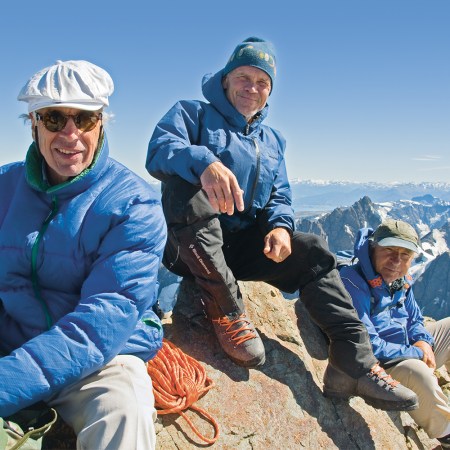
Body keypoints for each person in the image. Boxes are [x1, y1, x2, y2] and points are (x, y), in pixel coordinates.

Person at [146, 36, 419, 411]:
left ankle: (352, 364)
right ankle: (226, 311)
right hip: (189, 244)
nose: (252, 88)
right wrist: (204, 163)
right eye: (244, 77)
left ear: (269, 91)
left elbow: (280, 195)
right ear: (225, 79)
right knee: (185, 192)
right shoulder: (191, 114)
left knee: (313, 251)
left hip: (239, 250)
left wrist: (279, 228)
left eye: (262, 83)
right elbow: (160, 150)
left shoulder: (273, 140)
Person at [0, 60, 167, 449]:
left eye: (86, 120)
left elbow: (102, 321)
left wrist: (7, 383)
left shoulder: (132, 204)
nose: (71, 135)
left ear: (102, 124)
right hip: (14, 339)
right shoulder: (5, 187)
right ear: (34, 124)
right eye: (55, 119)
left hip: (100, 360)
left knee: (123, 412)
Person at [338, 219, 450, 446]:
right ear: (372, 249)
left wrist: (423, 341)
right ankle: (446, 433)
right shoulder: (352, 281)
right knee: (419, 373)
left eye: (405, 255)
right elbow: (367, 344)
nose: (396, 261)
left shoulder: (399, 280)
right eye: (389, 250)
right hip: (379, 365)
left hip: (406, 350)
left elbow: (415, 319)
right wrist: (417, 354)